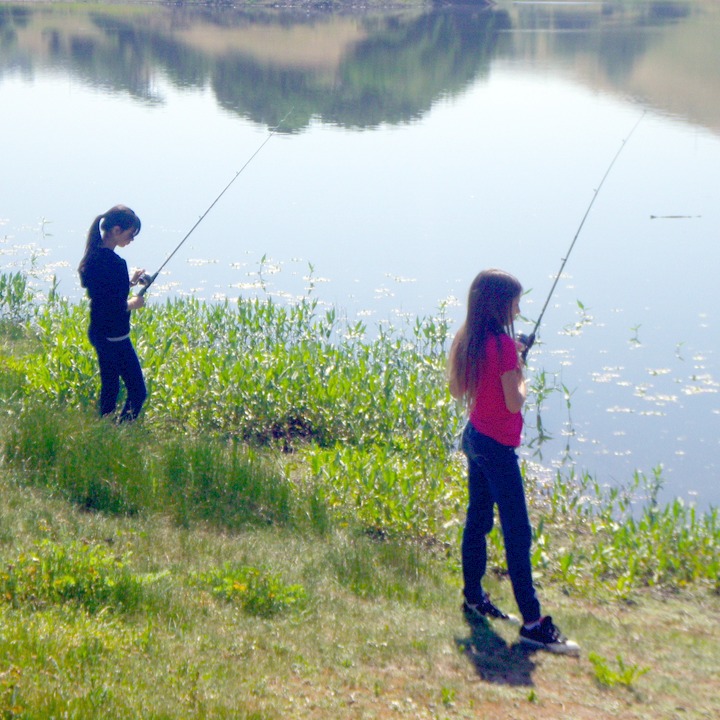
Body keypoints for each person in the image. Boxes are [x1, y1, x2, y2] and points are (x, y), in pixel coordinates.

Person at [448, 268, 579, 655]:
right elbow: (514, 401)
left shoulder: (468, 337)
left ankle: (473, 596)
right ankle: (534, 625)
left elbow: (458, 390)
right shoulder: (504, 348)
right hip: (499, 450)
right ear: (500, 304)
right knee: (518, 534)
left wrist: (509, 358)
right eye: (516, 301)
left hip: (474, 438)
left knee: (478, 520)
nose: (520, 308)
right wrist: (518, 368)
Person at [78, 205, 148, 422]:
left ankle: (106, 429)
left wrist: (130, 282)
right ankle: (122, 430)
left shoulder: (93, 256)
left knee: (111, 386)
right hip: (114, 335)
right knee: (137, 390)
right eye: (131, 234)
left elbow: (103, 292)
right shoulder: (116, 263)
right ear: (117, 231)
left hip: (98, 331)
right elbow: (114, 305)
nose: (132, 239)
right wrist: (133, 303)